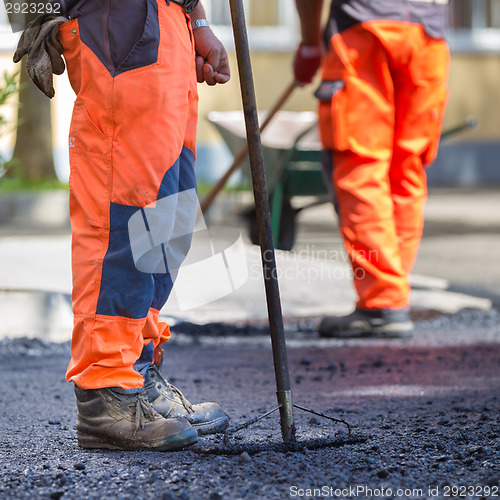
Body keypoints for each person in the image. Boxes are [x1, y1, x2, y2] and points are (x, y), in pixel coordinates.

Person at [16, 0, 231, 451]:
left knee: (168, 219)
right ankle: (106, 390)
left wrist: (198, 19)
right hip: (122, 23)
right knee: (124, 215)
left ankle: (135, 371)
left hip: (170, 24)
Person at [293, 0, 450, 339]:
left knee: (362, 168)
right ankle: (391, 293)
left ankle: (384, 301)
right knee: (405, 170)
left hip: (364, 29)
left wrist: (308, 44)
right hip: (429, 37)